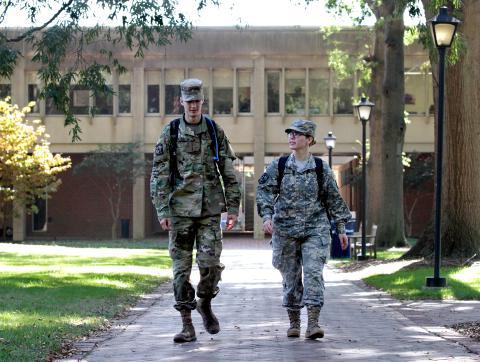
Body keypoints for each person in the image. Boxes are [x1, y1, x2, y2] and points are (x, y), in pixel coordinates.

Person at [150, 78, 241, 343]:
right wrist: (161, 209)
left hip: (209, 210)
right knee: (180, 270)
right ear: (181, 102)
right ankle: (187, 324)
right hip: (179, 212)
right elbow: (159, 173)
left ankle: (205, 302)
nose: (192, 106)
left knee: (210, 265)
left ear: (202, 102)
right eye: (188, 101)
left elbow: (228, 171)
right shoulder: (171, 132)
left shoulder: (214, 130)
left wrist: (233, 207)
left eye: (197, 101)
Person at [256, 119, 351, 340]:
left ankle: (314, 323)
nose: (291, 137)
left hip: (315, 229)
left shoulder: (320, 168)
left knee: (313, 274)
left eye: (297, 134)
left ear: (309, 140)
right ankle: (294, 322)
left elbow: (333, 199)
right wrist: (267, 216)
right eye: (290, 133)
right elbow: (264, 191)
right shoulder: (279, 166)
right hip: (285, 230)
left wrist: (341, 228)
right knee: (290, 278)